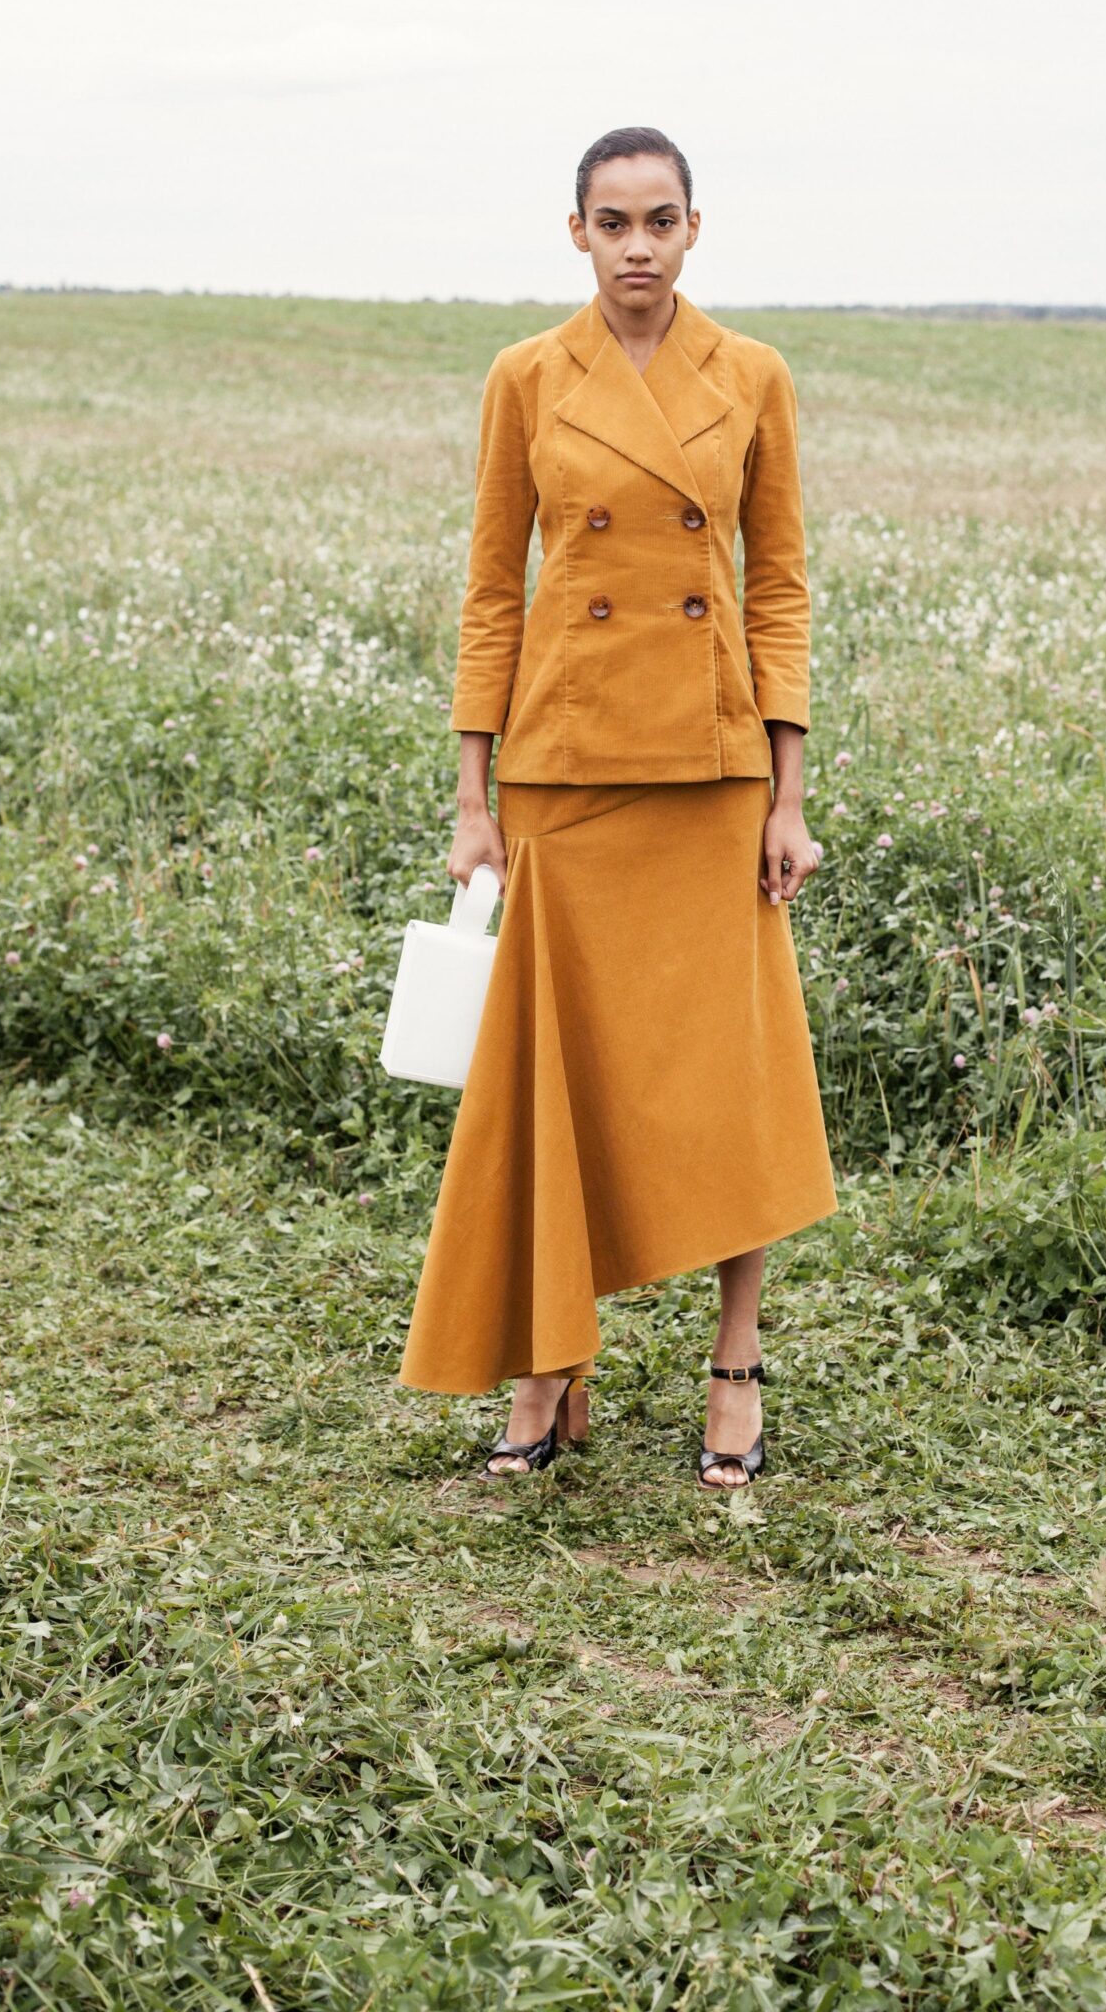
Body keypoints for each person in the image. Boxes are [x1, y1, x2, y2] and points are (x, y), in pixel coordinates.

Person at [397, 125, 837, 1487]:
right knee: (553, 1071)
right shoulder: (525, 379)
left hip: (709, 777)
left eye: (660, 220)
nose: (637, 245)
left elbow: (775, 589)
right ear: (575, 233)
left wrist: (787, 795)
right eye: (613, 222)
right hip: (564, 769)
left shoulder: (752, 377)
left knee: (726, 1077)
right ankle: (550, 1372)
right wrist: (472, 796)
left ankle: (736, 1360)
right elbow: (489, 592)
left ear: (695, 230)